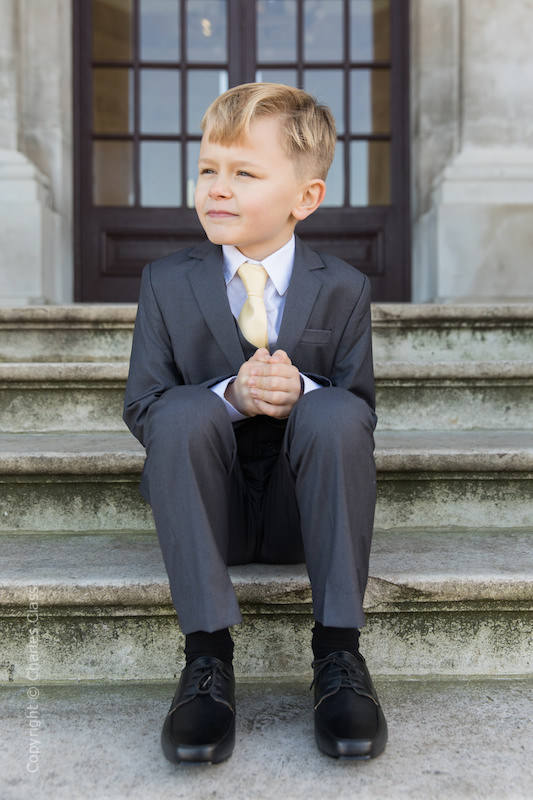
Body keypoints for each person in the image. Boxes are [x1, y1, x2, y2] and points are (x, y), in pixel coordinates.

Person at [123, 82, 387, 764]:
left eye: (243, 173)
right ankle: (206, 663)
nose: (218, 187)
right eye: (208, 168)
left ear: (305, 198)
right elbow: (142, 406)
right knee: (179, 409)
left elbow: (361, 413)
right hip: (211, 511)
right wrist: (229, 397)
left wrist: (298, 387)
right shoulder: (164, 281)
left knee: (334, 409)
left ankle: (338, 656)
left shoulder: (343, 287)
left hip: (304, 510)